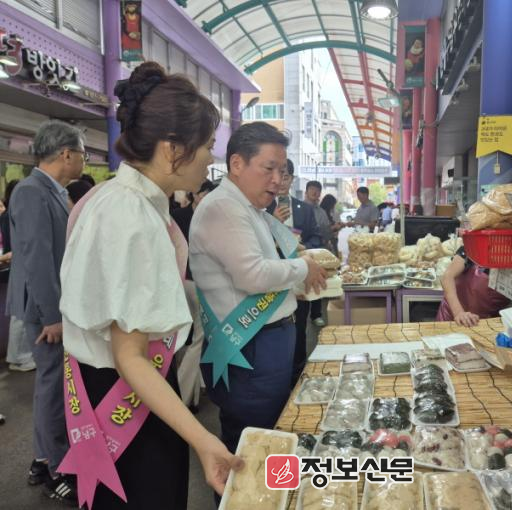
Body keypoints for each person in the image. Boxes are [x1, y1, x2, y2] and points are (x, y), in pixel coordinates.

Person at [59, 62, 242, 509]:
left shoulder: (108, 198)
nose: (210, 159)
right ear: (172, 148)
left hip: (109, 386)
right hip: (131, 394)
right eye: (206, 147)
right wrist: (204, 441)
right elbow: (130, 357)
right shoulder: (133, 215)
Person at [190, 122, 327, 458]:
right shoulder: (224, 207)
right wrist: (303, 268)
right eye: (269, 169)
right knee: (254, 442)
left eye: (282, 171)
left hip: (265, 343)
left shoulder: (248, 208)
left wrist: (293, 281)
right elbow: (252, 275)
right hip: (249, 346)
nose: (277, 180)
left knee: (268, 435)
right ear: (237, 163)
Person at [6, 120, 85, 504]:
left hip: (52, 306)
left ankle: (43, 460)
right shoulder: (31, 192)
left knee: (53, 385)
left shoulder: (52, 191)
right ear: (66, 154)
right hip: (45, 311)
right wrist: (52, 316)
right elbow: (37, 258)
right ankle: (57, 469)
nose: (84, 160)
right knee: (53, 389)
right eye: (82, 153)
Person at [267, 159, 322, 387]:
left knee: (299, 327)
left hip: (300, 276)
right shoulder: (261, 209)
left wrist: (304, 249)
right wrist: (272, 223)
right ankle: (279, 377)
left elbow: (316, 236)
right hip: (272, 279)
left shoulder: (305, 209)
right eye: (277, 174)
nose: (281, 181)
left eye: (286, 176)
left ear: (291, 179)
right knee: (276, 330)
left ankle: (298, 376)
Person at [171, 179, 217, 412]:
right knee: (197, 339)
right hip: (192, 283)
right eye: (203, 193)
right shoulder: (203, 217)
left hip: (186, 282)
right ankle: (182, 398)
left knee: (188, 338)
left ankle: (194, 393)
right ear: (195, 194)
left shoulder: (180, 215)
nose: (205, 197)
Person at [1, 180, 34, 372]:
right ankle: (19, 357)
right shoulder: (12, 215)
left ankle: (18, 356)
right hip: (18, 263)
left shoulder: (9, 214)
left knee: (19, 312)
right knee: (20, 313)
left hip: (16, 263)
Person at [437, 245, 511, 326]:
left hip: (483, 325)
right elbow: (447, 277)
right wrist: (459, 313)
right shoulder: (472, 248)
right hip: (452, 317)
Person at [302, 180, 329, 329]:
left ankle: (316, 315)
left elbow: (326, 230)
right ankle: (302, 315)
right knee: (304, 282)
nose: (315, 192)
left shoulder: (321, 212)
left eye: (317, 190)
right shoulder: (299, 208)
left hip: (319, 251)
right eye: (312, 189)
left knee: (318, 280)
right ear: (306, 191)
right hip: (303, 251)